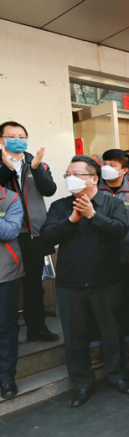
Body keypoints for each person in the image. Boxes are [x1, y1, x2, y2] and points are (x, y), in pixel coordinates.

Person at [41, 155, 129, 408]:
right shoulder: (60, 206)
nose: (69, 178)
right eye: (67, 174)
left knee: (112, 333)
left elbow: (120, 230)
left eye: (76, 174)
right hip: (70, 283)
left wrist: (93, 215)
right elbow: (47, 236)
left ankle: (117, 375)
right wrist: (71, 220)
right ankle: (81, 382)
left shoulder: (112, 203)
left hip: (106, 280)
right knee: (75, 337)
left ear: (94, 179)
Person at [0, 121, 59, 343]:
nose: (18, 140)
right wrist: (7, 168)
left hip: (33, 234)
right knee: (7, 286)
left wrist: (36, 168)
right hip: (6, 235)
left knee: (34, 285)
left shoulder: (38, 164)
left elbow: (49, 189)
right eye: (11, 136)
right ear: (1, 140)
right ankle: (7, 333)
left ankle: (37, 328)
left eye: (22, 136)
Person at [88, 149, 129, 363]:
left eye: (112, 164)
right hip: (96, 256)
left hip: (127, 255)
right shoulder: (93, 188)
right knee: (96, 302)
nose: (106, 167)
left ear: (124, 170)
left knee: (127, 300)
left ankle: (128, 339)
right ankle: (96, 345)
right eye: (105, 163)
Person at [0, 184, 25, 400]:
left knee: (6, 325)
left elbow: (10, 232)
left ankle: (6, 377)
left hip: (5, 273)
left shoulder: (11, 198)